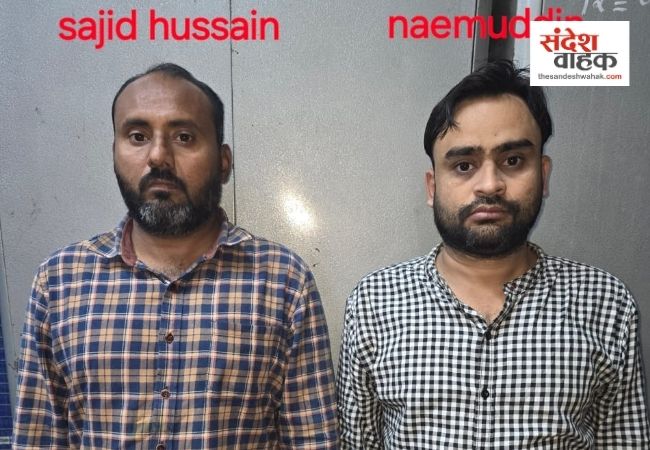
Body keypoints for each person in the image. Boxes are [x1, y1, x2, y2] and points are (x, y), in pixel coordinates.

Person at [13, 63, 338, 449]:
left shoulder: (283, 282)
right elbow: (38, 439)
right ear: (114, 153)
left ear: (223, 161)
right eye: (137, 136)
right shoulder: (60, 281)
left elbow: (312, 441)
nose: (158, 156)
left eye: (184, 137)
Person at [336, 60, 650, 449]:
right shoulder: (374, 302)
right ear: (433, 186)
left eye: (513, 160)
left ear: (544, 174)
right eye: (463, 165)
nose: (489, 185)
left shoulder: (607, 303)